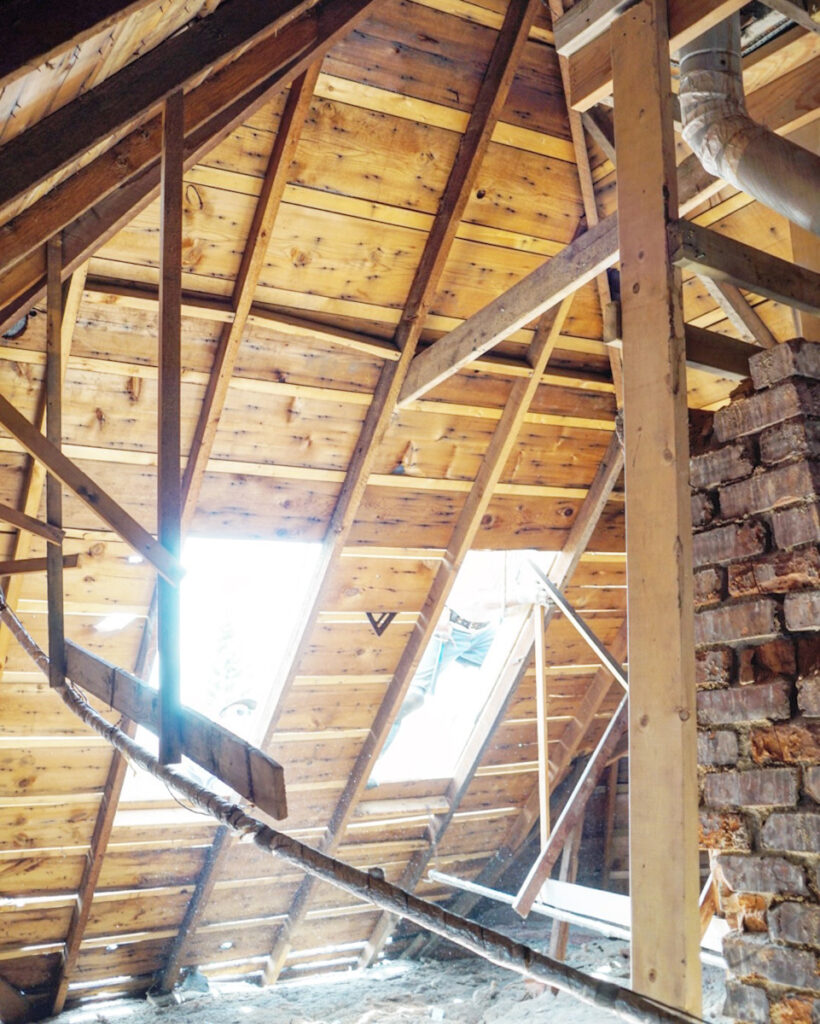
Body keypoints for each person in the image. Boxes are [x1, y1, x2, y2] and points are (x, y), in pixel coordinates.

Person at [375, 552, 549, 765]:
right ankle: (374, 761)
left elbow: (523, 582)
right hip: (451, 627)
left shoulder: (517, 552)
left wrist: (532, 591)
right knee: (413, 697)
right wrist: (524, 596)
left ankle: (459, 753)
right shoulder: (478, 551)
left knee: (501, 685)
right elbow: (478, 601)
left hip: (485, 631)